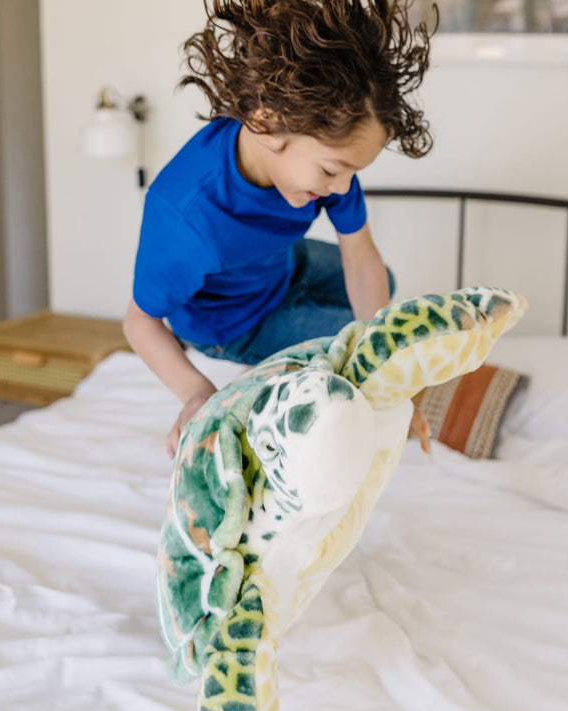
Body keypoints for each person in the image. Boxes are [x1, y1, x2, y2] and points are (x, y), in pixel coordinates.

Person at [124, 0, 437, 459]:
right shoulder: (187, 216)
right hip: (231, 323)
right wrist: (196, 392)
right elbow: (139, 322)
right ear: (268, 125)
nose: (343, 187)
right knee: (354, 365)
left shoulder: (324, 158)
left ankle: (306, 313)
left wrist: (385, 363)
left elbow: (359, 253)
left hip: (281, 264)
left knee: (381, 287)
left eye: (352, 171)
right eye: (334, 170)